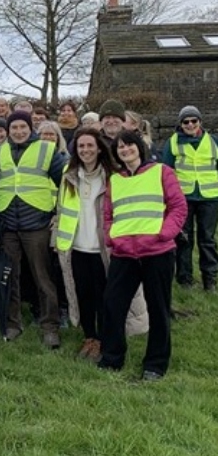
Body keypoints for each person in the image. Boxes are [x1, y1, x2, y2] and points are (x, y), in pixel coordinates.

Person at [98, 130, 187, 380]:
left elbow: (178, 207)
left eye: (129, 145)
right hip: (124, 254)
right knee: (113, 305)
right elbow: (108, 215)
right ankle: (112, 358)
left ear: (139, 147)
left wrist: (163, 234)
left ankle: (155, 364)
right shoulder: (115, 179)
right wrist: (112, 237)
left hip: (157, 252)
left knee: (158, 308)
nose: (125, 150)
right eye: (120, 148)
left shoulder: (162, 172)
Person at [54, 128, 138, 362]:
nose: (85, 150)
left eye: (90, 145)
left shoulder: (113, 175)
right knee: (83, 294)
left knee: (106, 295)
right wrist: (57, 239)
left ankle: (103, 337)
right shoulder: (68, 174)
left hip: (104, 247)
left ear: (99, 147)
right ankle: (89, 336)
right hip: (76, 246)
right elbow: (61, 209)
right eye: (81, 146)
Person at [0, 111, 67, 348]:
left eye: (23, 127)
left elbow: (64, 182)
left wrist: (57, 213)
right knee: (11, 277)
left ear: (30, 128)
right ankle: (13, 323)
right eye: (14, 128)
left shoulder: (46, 149)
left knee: (43, 277)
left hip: (38, 222)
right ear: (8, 131)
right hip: (8, 223)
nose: (18, 132)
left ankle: (50, 326)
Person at [161, 105, 218, 291]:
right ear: (181, 124)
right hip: (182, 197)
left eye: (194, 120)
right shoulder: (173, 143)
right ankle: (185, 279)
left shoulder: (213, 142)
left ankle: (210, 279)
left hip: (209, 197)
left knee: (207, 239)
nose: (190, 124)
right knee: (184, 239)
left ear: (200, 122)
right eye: (186, 121)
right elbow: (167, 170)